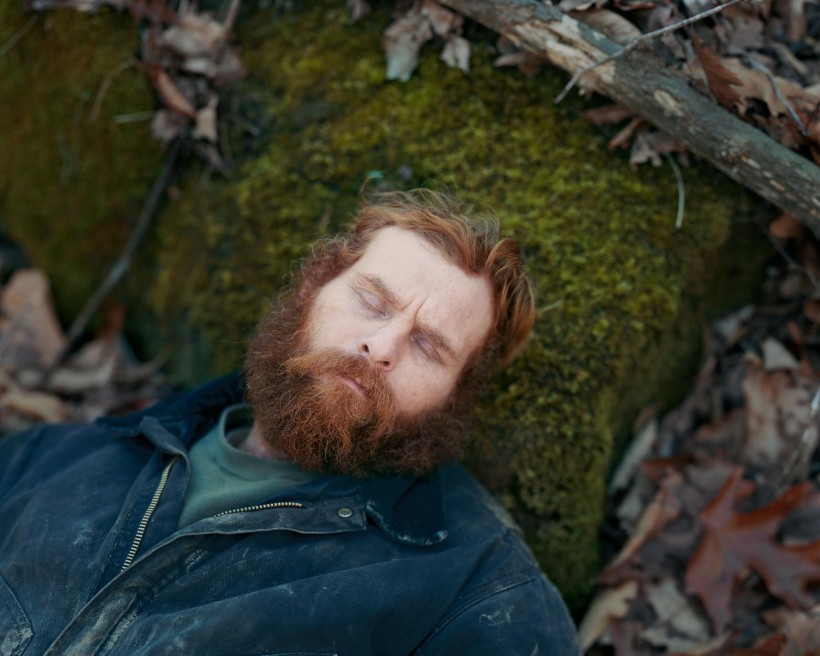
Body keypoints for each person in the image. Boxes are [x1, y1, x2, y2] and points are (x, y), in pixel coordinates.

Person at [0, 189, 579, 655]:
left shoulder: (476, 591)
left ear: (456, 396)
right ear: (310, 289)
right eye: (372, 302)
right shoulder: (48, 460)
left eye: (429, 346)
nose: (381, 347)